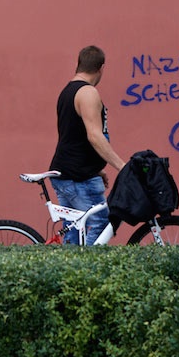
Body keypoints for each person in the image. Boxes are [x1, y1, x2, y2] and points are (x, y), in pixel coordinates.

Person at [49, 45, 126, 245]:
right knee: (102, 224)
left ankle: (70, 265)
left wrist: (96, 168)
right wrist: (122, 167)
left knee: (75, 230)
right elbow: (94, 136)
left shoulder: (67, 92)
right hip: (78, 178)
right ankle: (87, 265)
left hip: (66, 173)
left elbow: (73, 137)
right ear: (101, 68)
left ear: (79, 64)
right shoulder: (88, 93)